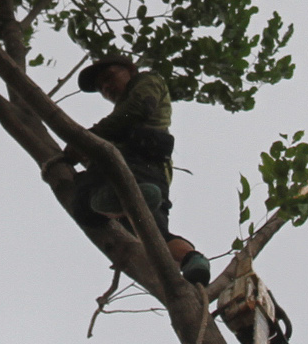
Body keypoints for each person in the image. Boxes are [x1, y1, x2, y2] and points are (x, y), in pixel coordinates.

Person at [64, 54, 213, 288]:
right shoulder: (120, 115)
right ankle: (191, 259)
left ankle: (127, 199)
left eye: (110, 77)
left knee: (84, 206)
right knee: (156, 235)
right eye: (101, 87)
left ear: (130, 70)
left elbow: (138, 108)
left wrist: (87, 138)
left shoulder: (147, 82)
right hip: (150, 176)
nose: (107, 87)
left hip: (138, 162)